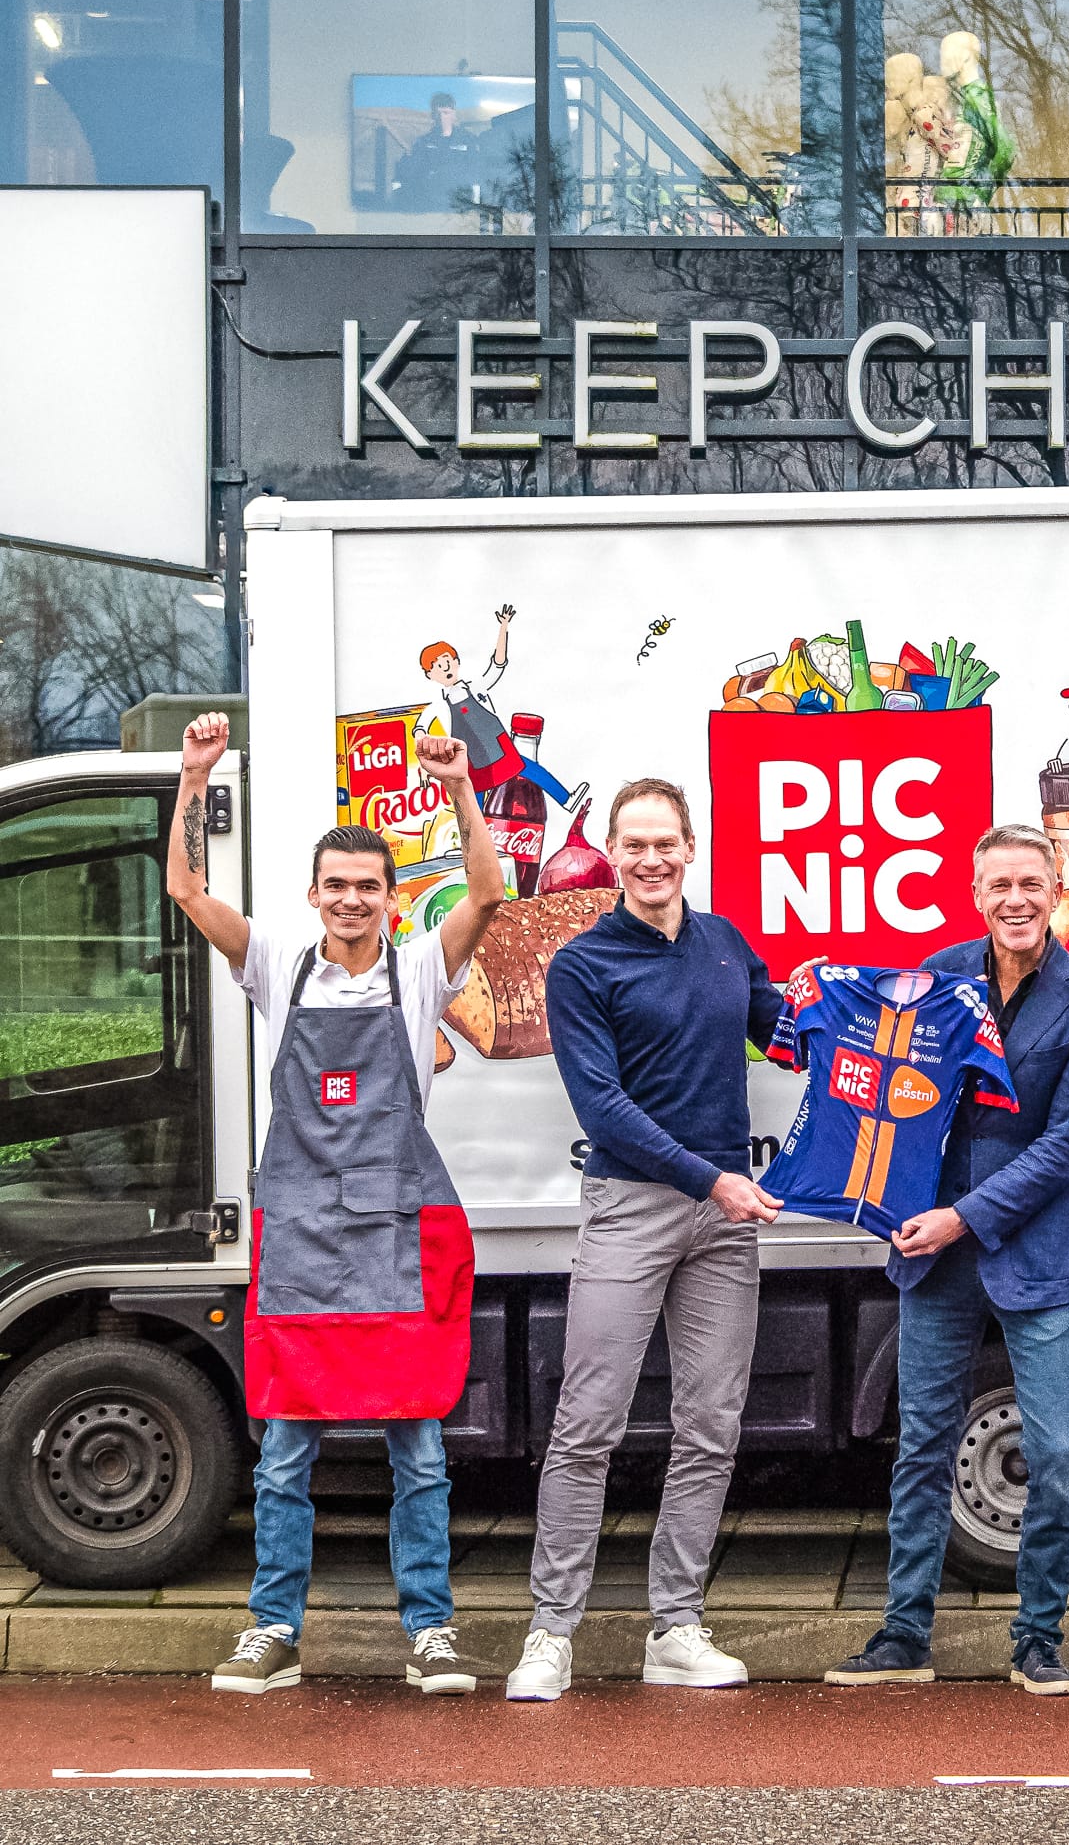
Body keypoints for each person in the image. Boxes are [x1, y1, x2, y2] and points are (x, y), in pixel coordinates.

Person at [165, 711, 504, 1697]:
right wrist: (196, 776)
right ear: (315, 896)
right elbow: (186, 887)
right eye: (337, 886)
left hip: (395, 1237)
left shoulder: (422, 970)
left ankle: (431, 1630)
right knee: (282, 1452)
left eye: (369, 886)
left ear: (393, 898)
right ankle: (273, 1627)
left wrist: (457, 786)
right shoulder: (276, 962)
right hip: (306, 1239)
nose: (352, 900)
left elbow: (490, 889)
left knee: (422, 1451)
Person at [825, 823, 1069, 1695]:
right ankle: (902, 1635)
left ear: (1056, 887)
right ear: (975, 893)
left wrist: (959, 1216)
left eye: (1031, 883)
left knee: (1058, 1457)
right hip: (935, 1256)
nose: (1016, 900)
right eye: (999, 886)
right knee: (920, 1445)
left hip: (1032, 1253)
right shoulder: (937, 979)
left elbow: (1064, 1147)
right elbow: (893, 1100)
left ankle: (1037, 1638)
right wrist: (877, 1193)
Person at [506, 778, 785, 1703]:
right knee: (588, 1427)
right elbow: (605, 1112)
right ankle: (550, 1634)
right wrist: (711, 1179)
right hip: (635, 1204)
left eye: (666, 843)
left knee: (710, 1426)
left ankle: (675, 1627)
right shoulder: (582, 966)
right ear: (613, 856)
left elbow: (784, 1037)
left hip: (723, 1217)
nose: (651, 860)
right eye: (634, 846)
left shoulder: (723, 944)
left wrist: (881, 1016)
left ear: (690, 847)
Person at [418, 610, 585, 815]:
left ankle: (566, 799)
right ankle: (474, 838)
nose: (445, 668)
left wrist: (503, 627)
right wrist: (425, 757)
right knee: (474, 791)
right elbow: (420, 728)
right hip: (470, 755)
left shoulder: (476, 687)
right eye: (438, 666)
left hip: (495, 742)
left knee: (526, 767)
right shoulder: (438, 706)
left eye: (448, 661)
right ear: (429, 674)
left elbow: (497, 665)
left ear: (456, 661)